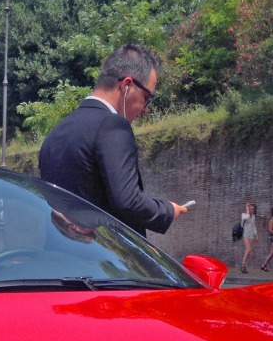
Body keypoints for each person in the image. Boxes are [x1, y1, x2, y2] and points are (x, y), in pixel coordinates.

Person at [38, 44, 187, 237]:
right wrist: (167, 210)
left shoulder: (56, 132)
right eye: (146, 97)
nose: (145, 109)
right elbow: (127, 201)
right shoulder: (113, 126)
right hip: (102, 258)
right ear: (126, 86)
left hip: (61, 253)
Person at [239, 201, 258, 273]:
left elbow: (254, 226)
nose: (252, 211)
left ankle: (244, 267)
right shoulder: (244, 215)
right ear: (248, 209)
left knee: (248, 251)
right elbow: (246, 217)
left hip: (251, 235)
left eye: (253, 209)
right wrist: (247, 209)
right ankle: (242, 264)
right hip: (245, 234)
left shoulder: (253, 216)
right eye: (251, 209)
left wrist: (256, 235)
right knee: (248, 248)